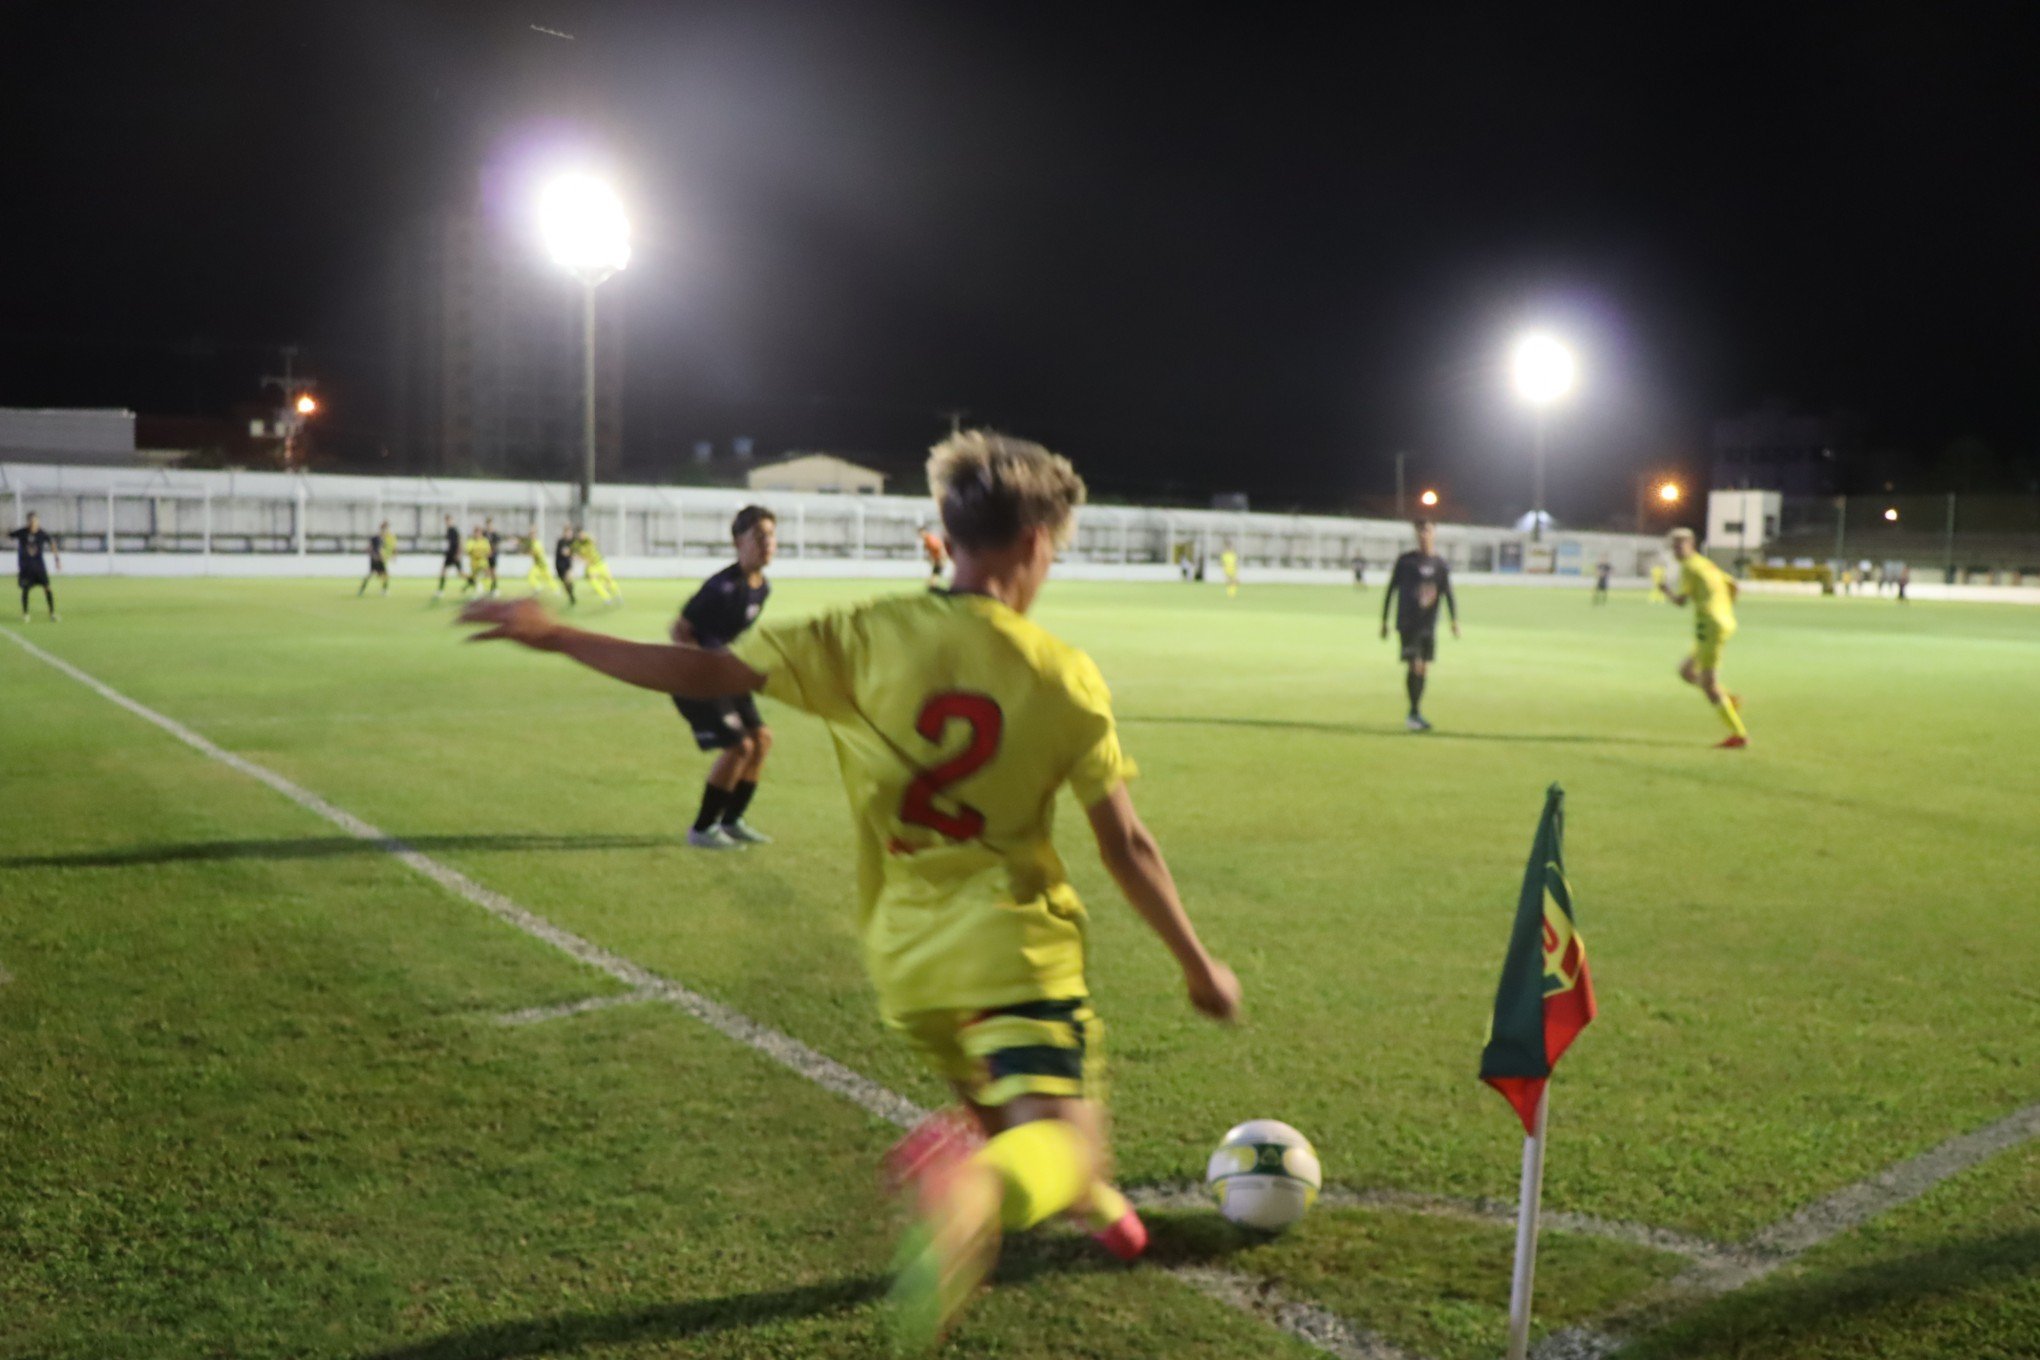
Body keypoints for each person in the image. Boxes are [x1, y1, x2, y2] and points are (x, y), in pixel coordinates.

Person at [457, 431, 1240, 1349]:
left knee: (1012, 1123)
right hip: (1012, 948)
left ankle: (1088, 1205)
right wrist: (1197, 964)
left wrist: (557, 635)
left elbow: (704, 670)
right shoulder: (1061, 673)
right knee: (1058, 1147)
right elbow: (1128, 844)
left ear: (945, 533)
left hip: (906, 962)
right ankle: (993, 1184)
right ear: (1035, 546)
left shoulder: (860, 635)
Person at [671, 506, 778, 848]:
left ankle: (731, 821)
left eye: (771, 536)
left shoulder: (762, 587)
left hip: (725, 674)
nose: (768, 543)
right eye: (759, 536)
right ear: (737, 542)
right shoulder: (721, 587)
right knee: (738, 747)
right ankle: (702, 830)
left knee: (761, 740)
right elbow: (680, 631)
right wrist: (702, 669)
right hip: (698, 678)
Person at [1663, 528, 1748, 748]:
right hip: (1719, 623)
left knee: (1709, 685)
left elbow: (1681, 601)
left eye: (1680, 545)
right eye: (1674, 545)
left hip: (1710, 626)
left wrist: (1665, 591)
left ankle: (1739, 734)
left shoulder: (1690, 568)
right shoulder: (1705, 563)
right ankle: (1728, 698)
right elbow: (1734, 585)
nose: (1677, 549)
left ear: (1691, 544)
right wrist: (1726, 610)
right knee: (1686, 671)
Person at [1380, 519, 1459, 731]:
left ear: (1434, 533)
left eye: (1428, 530)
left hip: (1428, 624)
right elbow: (1391, 589)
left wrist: (1454, 620)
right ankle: (1413, 713)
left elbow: (1447, 592)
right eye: (1420, 530)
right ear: (1416, 534)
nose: (1424, 534)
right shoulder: (1406, 561)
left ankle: (1415, 711)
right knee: (1414, 664)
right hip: (1407, 622)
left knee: (1423, 668)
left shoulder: (1440, 564)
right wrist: (1384, 620)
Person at [11, 511, 60, 621]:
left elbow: (52, 544)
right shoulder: (22, 532)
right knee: (26, 589)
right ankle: (25, 614)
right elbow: (9, 535)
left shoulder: (42, 533)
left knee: (47, 588)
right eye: (32, 521)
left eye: (36, 521)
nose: (34, 523)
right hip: (26, 567)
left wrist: (57, 559)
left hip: (39, 567)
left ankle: (52, 613)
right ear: (28, 522)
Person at [574, 528, 621, 604]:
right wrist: (582, 559)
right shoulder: (576, 544)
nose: (581, 536)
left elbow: (595, 540)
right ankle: (606, 598)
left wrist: (588, 537)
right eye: (579, 535)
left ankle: (617, 594)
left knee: (608, 579)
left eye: (582, 534)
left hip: (599, 562)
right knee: (593, 581)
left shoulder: (588, 539)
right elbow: (575, 554)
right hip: (591, 566)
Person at [358, 521, 397, 596]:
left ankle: (362, 590)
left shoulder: (380, 537)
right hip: (378, 559)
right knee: (383, 575)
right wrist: (379, 556)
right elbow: (377, 549)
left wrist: (370, 553)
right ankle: (384, 591)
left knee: (373, 575)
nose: (385, 530)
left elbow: (370, 548)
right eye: (385, 528)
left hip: (376, 559)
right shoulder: (379, 538)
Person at [434, 515, 469, 597]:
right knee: (443, 572)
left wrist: (458, 553)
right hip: (449, 554)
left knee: (461, 574)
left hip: (455, 554)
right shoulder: (448, 530)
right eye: (446, 521)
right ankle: (440, 590)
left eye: (449, 520)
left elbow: (460, 541)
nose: (447, 522)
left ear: (452, 521)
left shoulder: (454, 530)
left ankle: (475, 583)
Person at [521, 526, 560, 594]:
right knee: (531, 574)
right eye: (531, 535)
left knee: (548, 577)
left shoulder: (537, 543)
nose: (532, 536)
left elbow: (534, 552)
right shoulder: (532, 543)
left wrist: (527, 552)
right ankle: (537, 587)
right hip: (537, 564)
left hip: (542, 564)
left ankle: (556, 589)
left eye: (533, 534)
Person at [462, 525, 493, 596]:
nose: (477, 534)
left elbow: (489, 551)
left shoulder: (484, 541)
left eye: (479, 532)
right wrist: (474, 552)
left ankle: (488, 589)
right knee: (474, 577)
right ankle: (475, 588)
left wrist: (486, 554)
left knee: (487, 573)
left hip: (483, 561)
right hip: (474, 562)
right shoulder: (471, 541)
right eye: (476, 532)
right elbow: (467, 551)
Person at [554, 524, 579, 605]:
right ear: (564, 533)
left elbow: (576, 548)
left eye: (571, 533)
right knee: (565, 584)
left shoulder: (572, 541)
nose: (569, 534)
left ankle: (572, 596)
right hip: (560, 565)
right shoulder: (561, 542)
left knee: (569, 580)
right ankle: (570, 595)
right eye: (568, 533)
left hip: (567, 565)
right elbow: (565, 552)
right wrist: (573, 554)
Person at [920, 522, 948, 587]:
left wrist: (942, 558)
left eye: (921, 533)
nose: (920, 535)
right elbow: (930, 551)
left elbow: (940, 548)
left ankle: (933, 585)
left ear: (924, 532)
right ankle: (932, 585)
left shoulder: (931, 539)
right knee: (935, 573)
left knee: (936, 573)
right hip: (937, 559)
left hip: (940, 558)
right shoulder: (926, 541)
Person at [483, 517, 502, 595]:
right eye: (488, 524)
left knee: (493, 572)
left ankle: (495, 589)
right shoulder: (484, 533)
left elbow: (497, 544)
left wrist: (492, 551)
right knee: (487, 572)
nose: (489, 526)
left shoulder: (495, 534)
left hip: (493, 555)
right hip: (485, 555)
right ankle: (489, 588)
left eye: (490, 524)